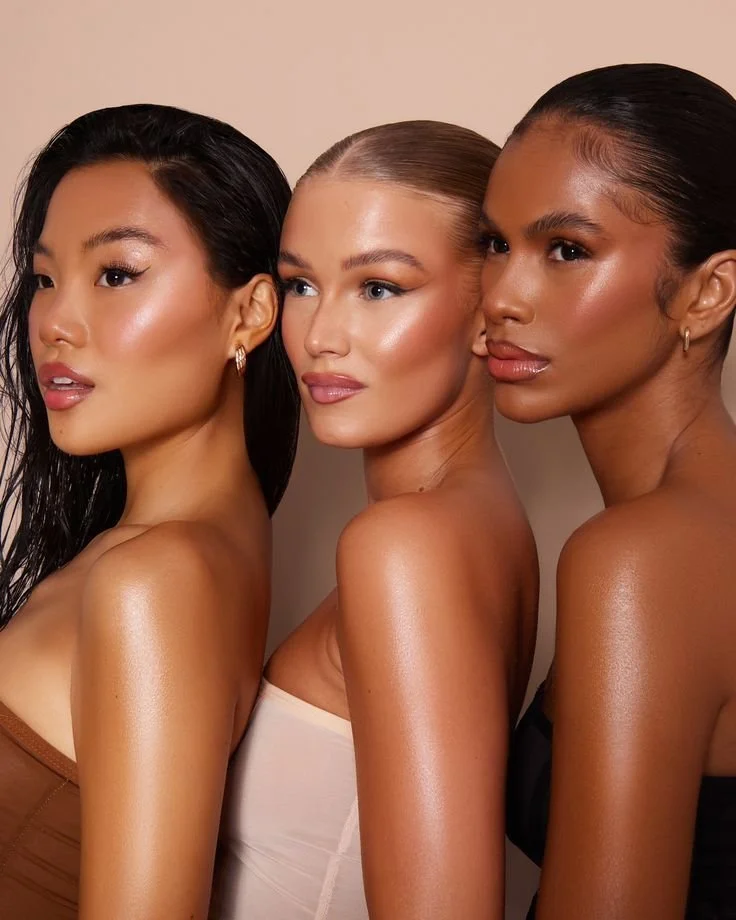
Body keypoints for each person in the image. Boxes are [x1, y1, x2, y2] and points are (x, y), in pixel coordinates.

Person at [211, 120, 539, 920]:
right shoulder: (479, 527)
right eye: (300, 285)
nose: (320, 337)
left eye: (379, 287)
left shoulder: (406, 546)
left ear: (487, 310)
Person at [0, 103, 299, 919]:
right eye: (45, 278)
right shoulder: (159, 555)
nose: (55, 323)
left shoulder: (156, 580)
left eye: (117, 274)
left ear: (249, 313)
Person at [481, 63, 736, 919]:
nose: (502, 297)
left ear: (708, 291)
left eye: (566, 250)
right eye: (494, 244)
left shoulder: (642, 561)